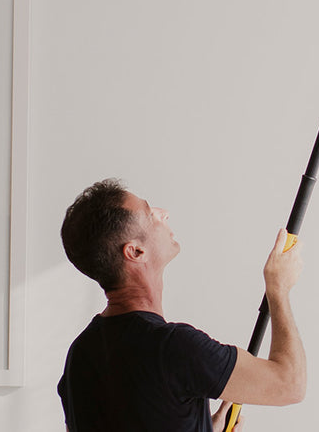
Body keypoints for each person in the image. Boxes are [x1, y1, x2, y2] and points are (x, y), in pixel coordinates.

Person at [58, 179, 306, 432]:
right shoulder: (174, 348)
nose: (163, 213)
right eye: (150, 213)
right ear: (135, 252)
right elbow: (290, 385)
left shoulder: (80, 354)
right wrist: (278, 289)